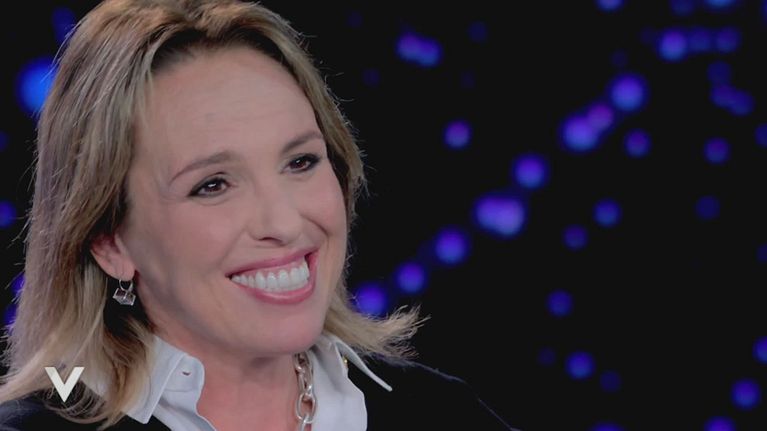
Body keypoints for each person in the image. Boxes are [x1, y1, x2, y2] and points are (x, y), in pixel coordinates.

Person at [0, 0, 516, 430]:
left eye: (301, 162)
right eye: (213, 185)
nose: (285, 224)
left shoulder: (442, 412)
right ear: (109, 241)